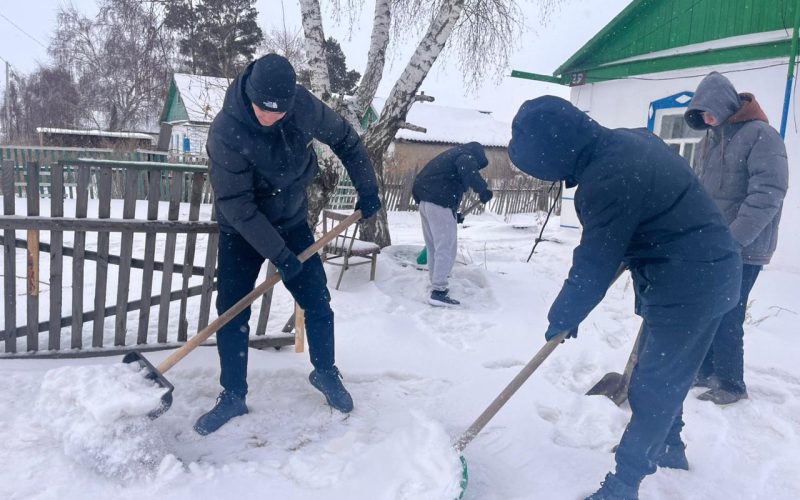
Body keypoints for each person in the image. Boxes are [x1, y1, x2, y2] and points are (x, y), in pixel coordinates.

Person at [508, 96, 742, 500]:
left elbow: (595, 261)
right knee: (664, 375)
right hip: (695, 271)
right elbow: (622, 238)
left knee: (654, 385)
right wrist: (577, 306)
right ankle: (669, 446)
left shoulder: (607, 179)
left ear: (557, 154)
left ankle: (623, 486)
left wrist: (565, 312)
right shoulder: (626, 141)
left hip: (692, 283)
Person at [198, 54, 381, 435]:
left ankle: (326, 372)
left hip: (292, 218)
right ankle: (232, 393)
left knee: (317, 300)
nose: (270, 118)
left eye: (278, 112)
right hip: (242, 229)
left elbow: (346, 139)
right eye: (263, 111)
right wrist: (278, 254)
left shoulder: (302, 107)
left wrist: (367, 185)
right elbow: (237, 205)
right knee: (232, 312)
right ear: (250, 95)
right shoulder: (225, 131)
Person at [685, 72, 789, 405]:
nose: (706, 118)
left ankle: (731, 383)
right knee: (707, 307)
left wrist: (733, 240)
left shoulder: (762, 136)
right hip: (715, 245)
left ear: (725, 103)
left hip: (745, 247)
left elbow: (768, 194)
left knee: (728, 311)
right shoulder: (712, 139)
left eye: (710, 110)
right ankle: (704, 371)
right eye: (701, 113)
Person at [411, 142, 493, 306]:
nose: (476, 167)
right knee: (446, 248)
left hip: (426, 202)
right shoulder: (465, 155)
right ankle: (438, 291)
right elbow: (468, 170)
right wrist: (482, 189)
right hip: (439, 203)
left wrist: (453, 213)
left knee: (434, 246)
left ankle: (436, 282)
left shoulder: (450, 156)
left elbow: (443, 182)